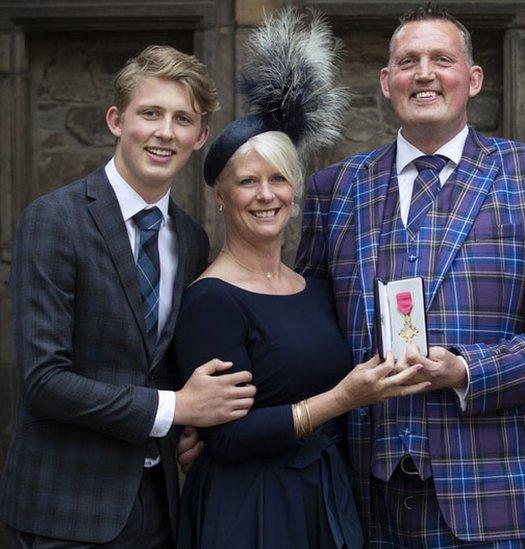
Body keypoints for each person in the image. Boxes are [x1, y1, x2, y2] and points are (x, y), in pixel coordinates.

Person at [294, 5, 525, 547]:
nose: (424, 73)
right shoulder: (336, 186)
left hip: (488, 490)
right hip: (363, 489)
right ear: (386, 82)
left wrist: (467, 370)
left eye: (441, 60)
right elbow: (306, 332)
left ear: (473, 79)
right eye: (408, 62)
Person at [170, 11, 428, 549]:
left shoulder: (311, 286)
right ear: (221, 195)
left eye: (278, 179)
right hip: (251, 508)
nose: (266, 195)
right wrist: (339, 399)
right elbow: (226, 438)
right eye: (247, 182)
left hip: (325, 497)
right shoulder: (211, 301)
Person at [0, 45, 256, 547]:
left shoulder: (189, 237)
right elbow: (44, 380)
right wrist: (176, 409)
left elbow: (157, 362)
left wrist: (191, 429)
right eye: (151, 113)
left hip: (159, 505)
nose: (165, 132)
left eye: (183, 119)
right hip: (66, 512)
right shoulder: (54, 220)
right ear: (117, 120)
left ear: (200, 136)